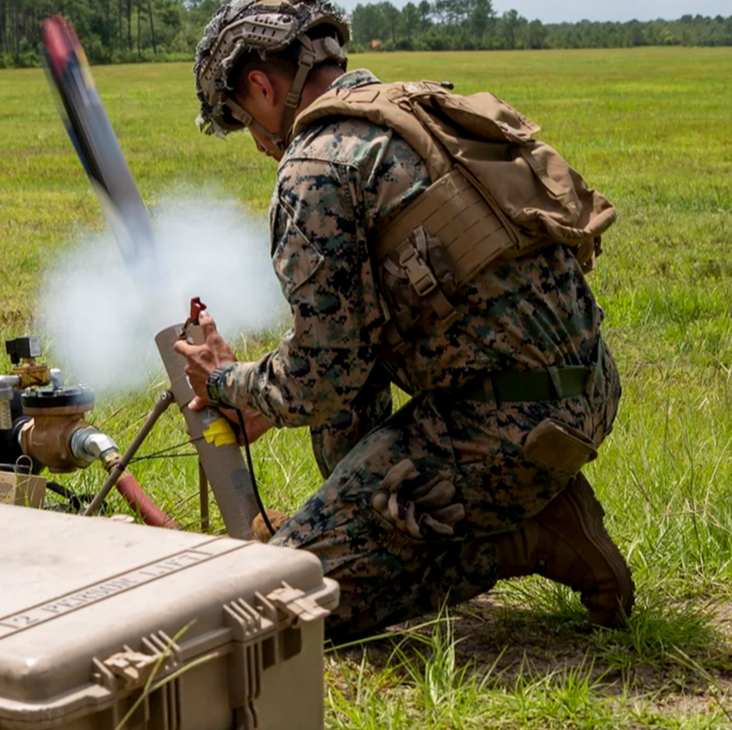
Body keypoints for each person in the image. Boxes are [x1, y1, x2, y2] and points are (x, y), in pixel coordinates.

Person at [173, 0, 634, 642]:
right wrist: (269, 399)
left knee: (283, 604)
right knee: (336, 485)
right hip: (584, 395)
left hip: (507, 428)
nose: (252, 138)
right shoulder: (409, 112)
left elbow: (320, 380)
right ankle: (372, 531)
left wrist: (227, 383)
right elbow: (347, 348)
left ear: (260, 86)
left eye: (239, 118)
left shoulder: (314, 166)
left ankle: (531, 536)